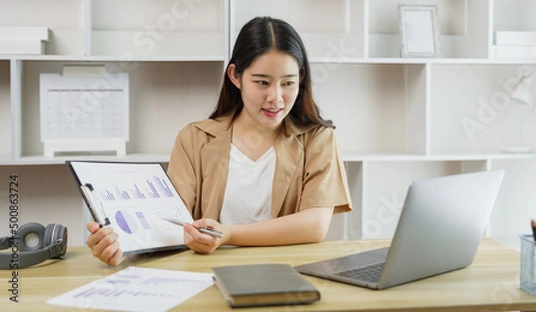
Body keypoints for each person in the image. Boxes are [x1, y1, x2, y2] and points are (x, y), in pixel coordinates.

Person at [86, 16, 352, 266]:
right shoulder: (194, 139)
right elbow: (169, 223)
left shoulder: (319, 139)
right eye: (262, 82)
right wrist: (120, 246)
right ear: (235, 76)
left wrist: (227, 234)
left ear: (301, 78)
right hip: (207, 274)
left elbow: (314, 225)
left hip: (287, 274)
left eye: (287, 83)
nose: (276, 97)